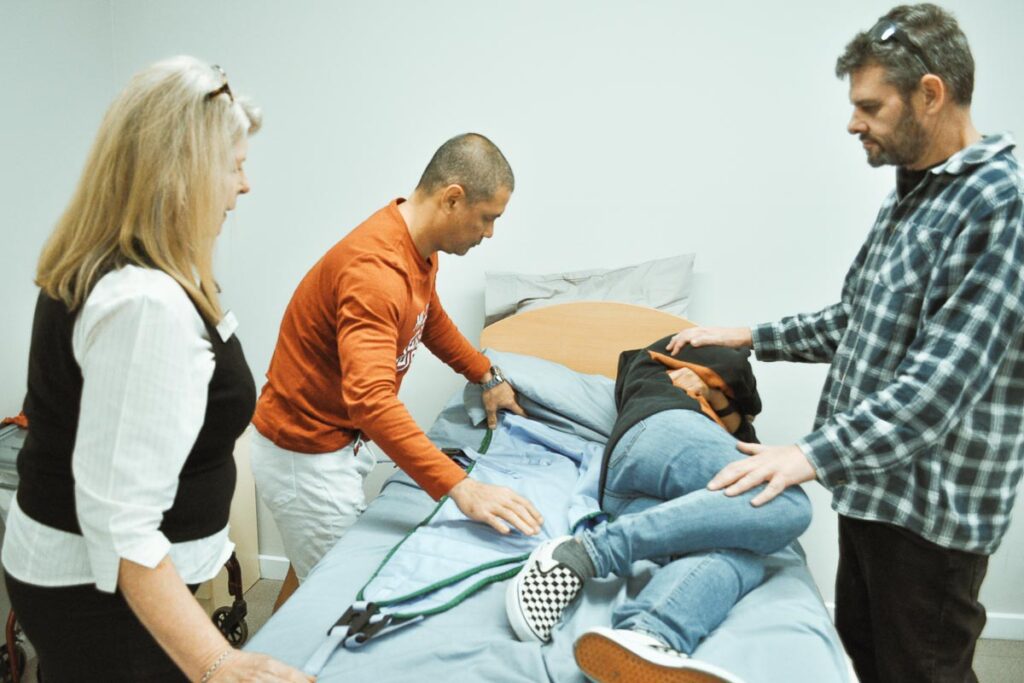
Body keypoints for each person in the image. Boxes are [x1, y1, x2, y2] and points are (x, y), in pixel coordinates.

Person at [667, 5, 1024, 682]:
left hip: (929, 517)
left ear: (930, 93)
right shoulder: (913, 195)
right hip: (872, 489)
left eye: (869, 106)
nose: (853, 123)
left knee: (921, 669)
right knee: (864, 659)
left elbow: (937, 388)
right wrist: (752, 335)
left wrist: (808, 454)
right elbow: (856, 321)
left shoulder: (999, 204)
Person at [1, 57, 312, 682]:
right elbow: (121, 527)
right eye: (235, 166)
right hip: (103, 599)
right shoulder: (143, 303)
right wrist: (218, 663)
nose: (244, 186)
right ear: (184, 173)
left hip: (97, 583)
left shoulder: (115, 264)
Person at [251, 133, 543, 599]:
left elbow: (429, 320)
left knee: (309, 577)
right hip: (306, 454)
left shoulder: (416, 250)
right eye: (488, 218)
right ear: (453, 198)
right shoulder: (376, 271)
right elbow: (371, 402)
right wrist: (461, 487)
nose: (489, 233)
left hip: (335, 441)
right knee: (335, 600)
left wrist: (485, 374)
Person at [505, 335, 812, 682]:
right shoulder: (666, 359)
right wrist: (721, 386)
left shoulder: (693, 403)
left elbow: (742, 442)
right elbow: (733, 370)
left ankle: (648, 635)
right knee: (786, 499)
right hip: (663, 433)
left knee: (743, 548)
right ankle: (590, 552)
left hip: (626, 492)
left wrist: (718, 401)